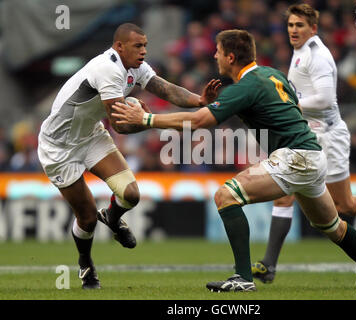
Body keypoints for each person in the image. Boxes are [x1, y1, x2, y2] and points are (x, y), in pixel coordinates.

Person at [112, 29, 356, 291]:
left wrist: (146, 119)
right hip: (313, 156)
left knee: (226, 196)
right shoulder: (273, 75)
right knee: (334, 227)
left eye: (218, 52)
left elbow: (199, 122)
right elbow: (285, 107)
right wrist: (211, 104)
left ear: (230, 57)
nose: (214, 56)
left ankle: (243, 278)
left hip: (294, 157)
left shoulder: (245, 87)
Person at [37, 23, 220, 289]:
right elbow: (121, 125)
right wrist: (149, 120)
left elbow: (165, 89)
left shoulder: (135, 66)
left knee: (131, 195)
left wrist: (199, 101)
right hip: (59, 147)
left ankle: (111, 217)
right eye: (138, 46)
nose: (144, 51)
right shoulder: (108, 69)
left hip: (90, 136)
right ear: (119, 46)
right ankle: (85, 264)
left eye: (145, 45)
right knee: (86, 217)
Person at [251, 4, 356, 284]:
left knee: (343, 204)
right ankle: (269, 265)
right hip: (307, 135)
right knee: (285, 192)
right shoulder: (300, 53)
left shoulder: (317, 56)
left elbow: (324, 100)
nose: (294, 30)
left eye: (300, 25)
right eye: (291, 25)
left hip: (328, 136)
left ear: (313, 28)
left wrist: (288, 105)